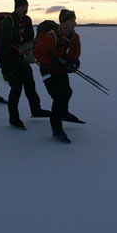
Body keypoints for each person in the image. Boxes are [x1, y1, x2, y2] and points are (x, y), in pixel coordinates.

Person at [0, 0, 51, 129]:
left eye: (26, 6)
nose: (25, 9)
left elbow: (29, 39)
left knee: (30, 83)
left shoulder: (27, 20)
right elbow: (3, 43)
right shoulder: (8, 21)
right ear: (17, 7)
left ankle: (36, 110)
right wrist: (17, 49)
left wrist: (28, 50)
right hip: (8, 59)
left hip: (22, 58)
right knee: (16, 87)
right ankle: (14, 118)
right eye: (23, 6)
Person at [34, 9, 83, 142]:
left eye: (74, 20)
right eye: (71, 21)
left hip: (60, 70)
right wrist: (55, 62)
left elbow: (75, 53)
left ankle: (64, 113)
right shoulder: (51, 37)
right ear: (63, 22)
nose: (74, 23)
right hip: (47, 70)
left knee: (67, 92)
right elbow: (38, 55)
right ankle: (56, 128)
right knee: (58, 97)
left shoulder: (74, 37)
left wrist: (73, 62)